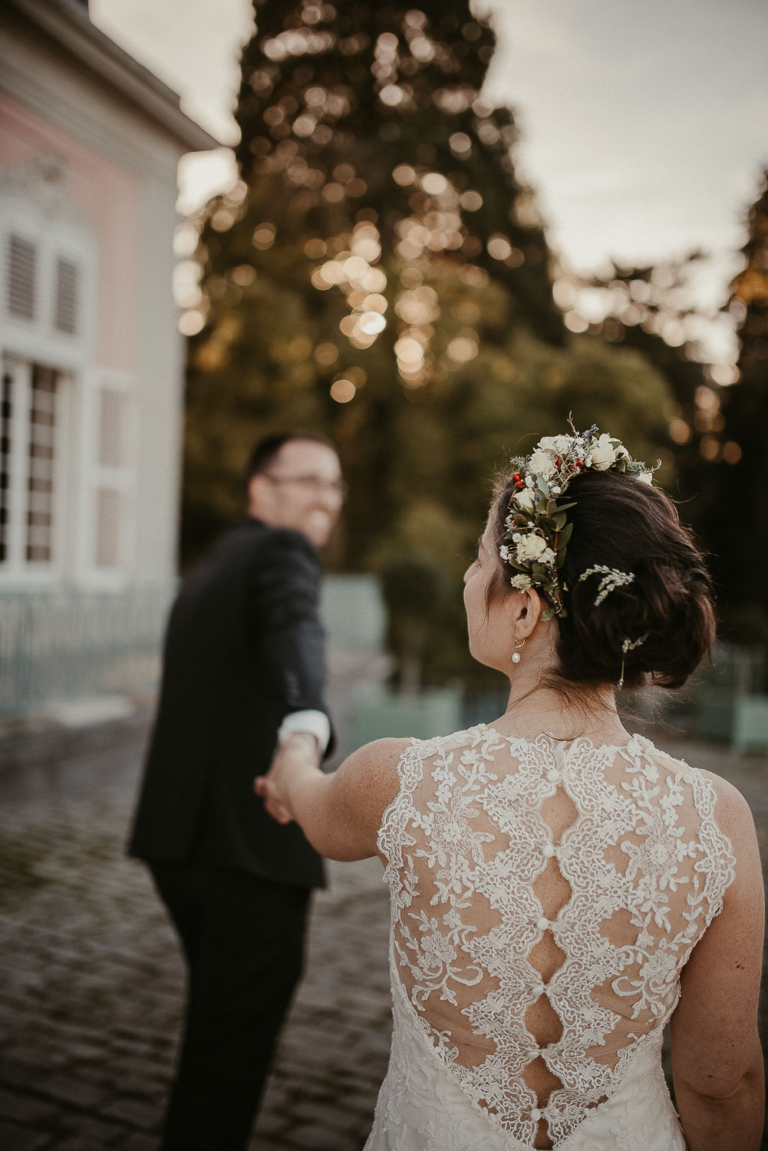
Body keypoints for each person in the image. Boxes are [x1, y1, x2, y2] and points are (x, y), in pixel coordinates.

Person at [257, 424, 765, 1151]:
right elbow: (722, 1081)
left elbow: (307, 800)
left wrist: (294, 750)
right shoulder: (716, 817)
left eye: (478, 558)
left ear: (525, 610)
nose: (469, 580)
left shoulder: (401, 779)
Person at [129, 432, 345, 1151]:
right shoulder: (283, 553)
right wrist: (306, 723)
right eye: (308, 479)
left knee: (215, 1038)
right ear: (261, 487)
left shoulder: (216, 562)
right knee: (226, 1067)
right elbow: (297, 634)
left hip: (180, 841)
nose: (325, 497)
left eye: (335, 485)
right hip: (245, 846)